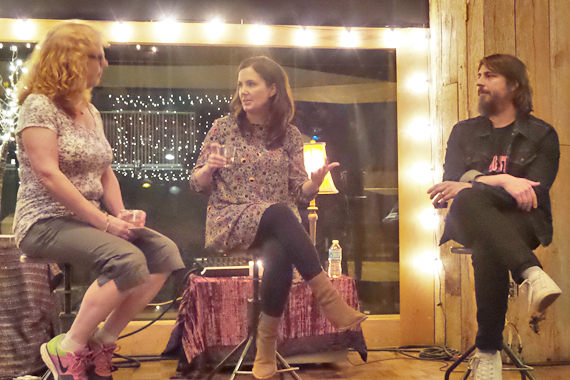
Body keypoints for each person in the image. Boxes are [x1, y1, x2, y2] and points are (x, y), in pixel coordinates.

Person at [14, 22, 185, 380]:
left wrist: (119, 212)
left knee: (163, 252)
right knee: (125, 259)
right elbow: (48, 174)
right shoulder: (38, 106)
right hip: (43, 221)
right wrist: (104, 222)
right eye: (98, 56)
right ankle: (67, 349)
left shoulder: (89, 111)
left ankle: (102, 340)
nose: (105, 63)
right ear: (72, 60)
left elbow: (105, 171)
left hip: (86, 220)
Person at [190, 56, 367, 379]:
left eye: (251, 84)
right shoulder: (223, 128)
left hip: (276, 225)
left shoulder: (289, 134)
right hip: (230, 219)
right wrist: (208, 169)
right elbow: (196, 185)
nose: (243, 91)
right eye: (240, 84)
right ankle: (327, 297)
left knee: (279, 251)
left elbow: (299, 193)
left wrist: (313, 183)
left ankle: (266, 348)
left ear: (272, 89)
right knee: (281, 212)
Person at [428, 54, 561, 380]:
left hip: (523, 221)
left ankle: (488, 354)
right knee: (474, 206)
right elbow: (449, 186)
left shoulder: (542, 135)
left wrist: (472, 184)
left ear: (513, 85)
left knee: (487, 238)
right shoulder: (464, 132)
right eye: (478, 75)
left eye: (489, 75)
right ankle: (530, 272)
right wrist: (503, 180)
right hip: (469, 217)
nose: (479, 82)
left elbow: (534, 194)